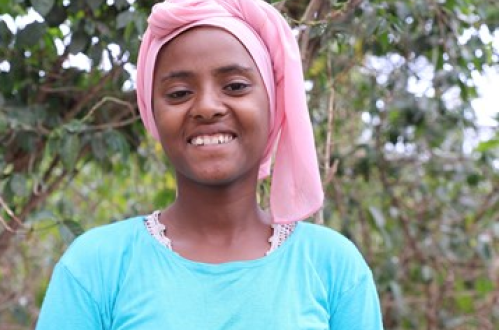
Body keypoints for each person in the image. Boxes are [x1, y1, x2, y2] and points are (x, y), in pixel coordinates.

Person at [36, 0, 383, 329]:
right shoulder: (95, 267)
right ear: (152, 113)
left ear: (273, 106)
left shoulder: (334, 267)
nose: (206, 107)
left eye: (234, 86)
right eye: (178, 93)